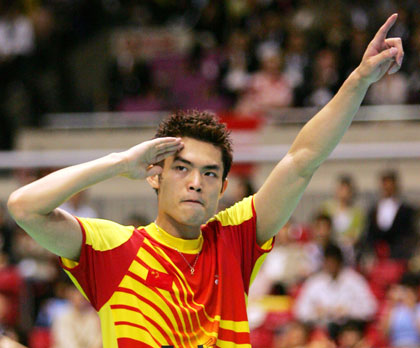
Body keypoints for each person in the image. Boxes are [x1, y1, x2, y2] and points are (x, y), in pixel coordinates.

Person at [7, 14, 404, 348]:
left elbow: (301, 160)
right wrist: (118, 162)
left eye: (210, 173)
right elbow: (24, 207)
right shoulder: (114, 250)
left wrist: (359, 81)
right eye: (181, 168)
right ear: (154, 176)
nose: (196, 182)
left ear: (222, 189)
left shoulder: (234, 242)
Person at [294, 244, 377, 339]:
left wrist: (348, 310)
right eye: (328, 262)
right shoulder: (314, 282)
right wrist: (315, 312)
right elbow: (299, 311)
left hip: (347, 328)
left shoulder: (355, 281)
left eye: (333, 262)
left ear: (340, 262)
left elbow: (370, 308)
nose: (330, 265)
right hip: (320, 330)